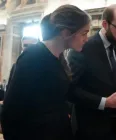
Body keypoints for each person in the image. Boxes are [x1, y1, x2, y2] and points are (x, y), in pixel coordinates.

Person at [1, 4, 91, 140]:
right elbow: (11, 109)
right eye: (84, 33)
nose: (86, 38)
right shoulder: (33, 56)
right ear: (66, 32)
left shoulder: (60, 58)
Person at [67, 4, 116, 140]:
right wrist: (105, 102)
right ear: (105, 24)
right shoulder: (82, 48)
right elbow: (70, 90)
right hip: (86, 129)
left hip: (112, 128)